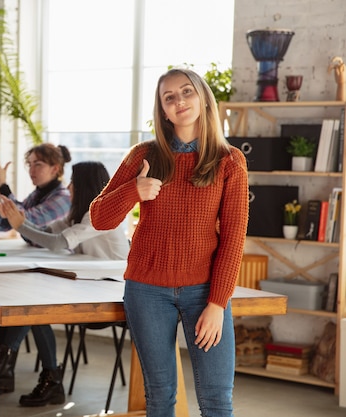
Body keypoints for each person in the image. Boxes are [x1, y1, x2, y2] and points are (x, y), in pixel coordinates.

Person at [90, 68, 249, 417]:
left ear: (203, 97)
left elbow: (234, 239)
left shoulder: (229, 162)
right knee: (160, 398)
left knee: (217, 400)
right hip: (146, 290)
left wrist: (217, 303)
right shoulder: (142, 156)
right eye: (169, 97)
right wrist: (135, 191)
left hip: (204, 292)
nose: (179, 101)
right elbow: (99, 217)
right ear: (162, 111)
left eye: (187, 92)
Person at [0, 160, 129, 406]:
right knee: (35, 302)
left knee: (36, 304)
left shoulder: (102, 214)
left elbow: (56, 244)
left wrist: (20, 225)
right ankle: (32, 372)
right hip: (90, 286)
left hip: (115, 295)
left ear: (85, 185)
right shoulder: (77, 215)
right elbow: (45, 236)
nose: (69, 187)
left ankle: (4, 359)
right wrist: (18, 222)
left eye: (74, 182)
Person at [0, 143, 72, 396]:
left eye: (39, 164)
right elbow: (5, 225)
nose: (32, 170)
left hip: (62, 275)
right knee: (20, 301)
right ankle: (6, 367)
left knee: (29, 305)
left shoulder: (61, 198)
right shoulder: (38, 194)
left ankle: (2, 363)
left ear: (56, 168)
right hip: (40, 269)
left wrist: (4, 190)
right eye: (29, 164)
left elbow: (26, 221)